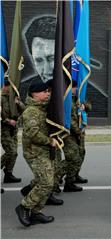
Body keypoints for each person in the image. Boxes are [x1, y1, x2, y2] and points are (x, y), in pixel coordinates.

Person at [15, 78, 58, 227]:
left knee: (49, 183)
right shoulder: (31, 111)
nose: (47, 94)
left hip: (44, 152)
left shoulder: (43, 108)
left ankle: (36, 212)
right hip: (35, 152)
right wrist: (49, 141)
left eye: (48, 91)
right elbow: (33, 134)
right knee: (46, 183)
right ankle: (24, 206)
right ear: (34, 94)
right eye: (44, 91)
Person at [62, 81, 84, 192]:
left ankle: (72, 177)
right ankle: (63, 181)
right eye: (75, 88)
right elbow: (69, 120)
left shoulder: (77, 99)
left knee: (80, 154)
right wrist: (78, 131)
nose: (76, 90)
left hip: (77, 132)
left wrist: (84, 106)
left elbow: (87, 106)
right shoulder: (67, 101)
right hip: (69, 134)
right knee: (72, 158)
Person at [1, 80, 25, 183]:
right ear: (5, 87)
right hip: (4, 130)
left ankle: (8, 174)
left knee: (14, 154)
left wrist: (18, 102)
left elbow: (24, 110)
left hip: (14, 130)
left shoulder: (13, 98)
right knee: (11, 152)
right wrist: (8, 121)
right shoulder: (1, 99)